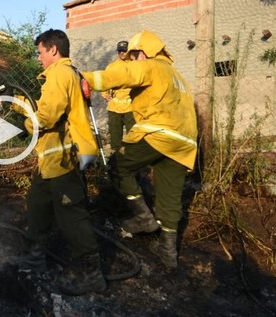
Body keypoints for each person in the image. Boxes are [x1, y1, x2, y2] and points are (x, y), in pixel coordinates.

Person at [82, 30, 198, 270]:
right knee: (169, 194)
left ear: (143, 53)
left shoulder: (151, 66)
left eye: (133, 56)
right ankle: (168, 252)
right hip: (185, 143)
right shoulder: (178, 77)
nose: (132, 60)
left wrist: (85, 79)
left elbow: (123, 74)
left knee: (117, 166)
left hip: (159, 132)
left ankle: (144, 218)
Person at [14, 28, 106, 295]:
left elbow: (47, 116)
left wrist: (25, 124)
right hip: (50, 161)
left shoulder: (60, 74)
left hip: (63, 160)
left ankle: (92, 275)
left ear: (53, 49)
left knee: (71, 217)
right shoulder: (67, 74)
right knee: (37, 206)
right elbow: (47, 107)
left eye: (40, 52)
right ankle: (35, 260)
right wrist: (18, 103)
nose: (38, 58)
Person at [102, 40, 135, 152]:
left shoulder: (135, 66)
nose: (122, 53)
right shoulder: (112, 67)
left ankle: (132, 156)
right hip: (114, 107)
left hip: (131, 107)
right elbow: (105, 81)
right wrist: (105, 94)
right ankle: (116, 156)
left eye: (124, 51)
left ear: (129, 51)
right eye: (120, 51)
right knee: (115, 138)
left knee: (133, 136)